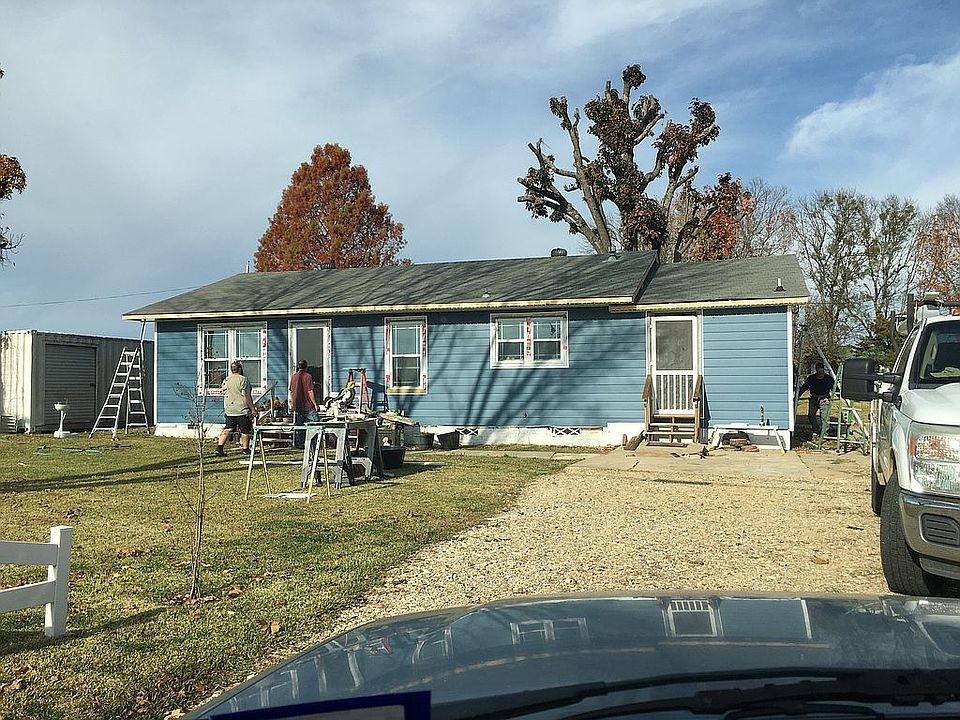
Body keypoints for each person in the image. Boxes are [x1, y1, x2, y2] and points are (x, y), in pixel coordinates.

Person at [215, 360, 258, 456]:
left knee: (228, 428)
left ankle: (219, 447)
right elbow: (247, 395)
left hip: (229, 409)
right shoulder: (243, 380)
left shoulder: (226, 380)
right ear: (239, 368)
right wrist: (252, 409)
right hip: (241, 409)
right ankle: (245, 449)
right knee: (245, 429)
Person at [289, 359, 320, 449]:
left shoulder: (294, 376)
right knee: (316, 424)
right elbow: (310, 391)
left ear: (298, 367)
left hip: (297, 406)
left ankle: (300, 443)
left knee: (300, 426)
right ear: (306, 367)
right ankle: (315, 442)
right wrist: (315, 404)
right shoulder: (308, 376)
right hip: (308, 406)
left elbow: (291, 391)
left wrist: (293, 402)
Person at [797, 361, 834, 436]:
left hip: (824, 398)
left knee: (824, 417)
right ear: (816, 370)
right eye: (818, 370)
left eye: (821, 370)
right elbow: (804, 387)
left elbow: (835, 389)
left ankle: (824, 433)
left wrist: (834, 397)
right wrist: (797, 396)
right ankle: (816, 430)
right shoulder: (811, 378)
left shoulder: (828, 379)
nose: (820, 372)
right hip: (813, 398)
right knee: (811, 415)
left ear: (823, 370)